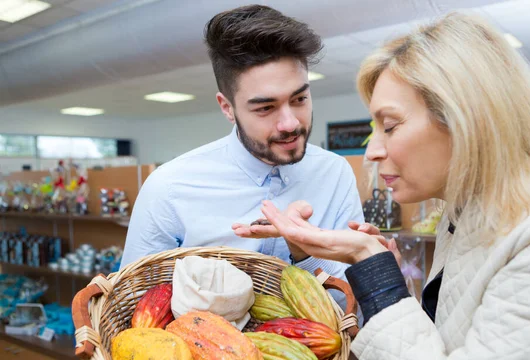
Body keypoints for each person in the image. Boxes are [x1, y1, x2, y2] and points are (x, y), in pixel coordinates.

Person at [257, 12, 530, 360]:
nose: (372, 151)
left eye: (389, 125)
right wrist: (385, 279)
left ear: (463, 119)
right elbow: (453, 351)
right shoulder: (466, 213)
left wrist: (377, 279)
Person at [120, 4, 366, 300]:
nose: (290, 123)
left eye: (300, 98)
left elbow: (352, 303)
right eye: (265, 107)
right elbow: (133, 304)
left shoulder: (334, 173)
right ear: (227, 108)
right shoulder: (169, 188)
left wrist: (303, 251)